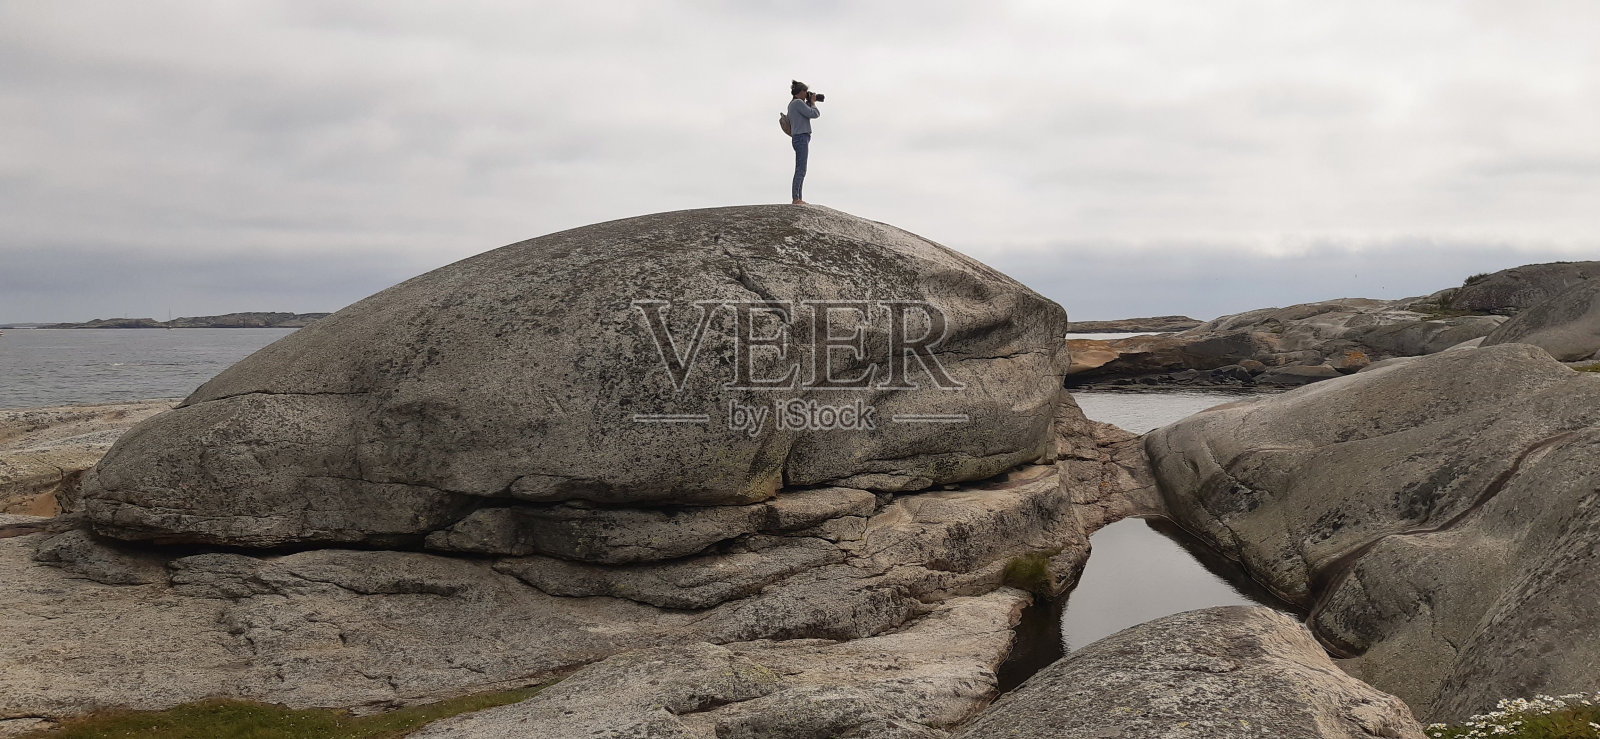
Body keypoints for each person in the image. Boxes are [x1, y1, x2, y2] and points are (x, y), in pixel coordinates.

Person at [787, 80, 821, 204]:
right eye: (805, 91)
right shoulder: (797, 103)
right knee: (801, 169)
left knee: (801, 168)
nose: (806, 93)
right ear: (800, 92)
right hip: (801, 137)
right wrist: (812, 103)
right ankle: (796, 198)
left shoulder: (792, 104)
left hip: (798, 137)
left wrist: (808, 102)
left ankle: (798, 198)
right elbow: (815, 114)